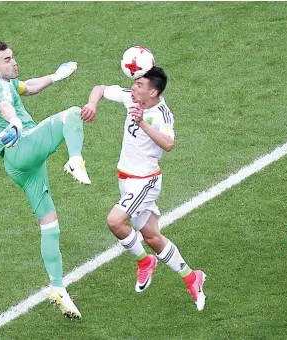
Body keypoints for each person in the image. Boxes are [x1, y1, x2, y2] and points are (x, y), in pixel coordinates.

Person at [81, 66, 207, 311]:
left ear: (153, 92)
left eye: (140, 85)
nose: (134, 86)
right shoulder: (131, 96)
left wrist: (143, 123)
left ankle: (144, 261)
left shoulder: (163, 115)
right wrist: (92, 104)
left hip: (145, 181)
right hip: (126, 180)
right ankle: (193, 278)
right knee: (152, 236)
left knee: (115, 222)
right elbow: (100, 89)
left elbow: (168, 144)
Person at [0, 41, 92, 319]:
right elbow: (5, 106)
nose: (13, 62)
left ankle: (58, 289)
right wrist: (16, 123)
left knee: (50, 225)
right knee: (71, 114)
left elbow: (28, 87)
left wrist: (56, 76)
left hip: (20, 167)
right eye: (7, 60)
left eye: (13, 57)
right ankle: (75, 160)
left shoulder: (5, 81)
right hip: (23, 146)